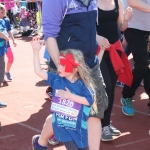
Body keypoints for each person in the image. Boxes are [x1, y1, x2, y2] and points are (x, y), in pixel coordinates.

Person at [32, 0, 109, 150]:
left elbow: (86, 27)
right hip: (66, 67)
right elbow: (50, 35)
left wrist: (96, 38)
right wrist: (61, 67)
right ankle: (41, 141)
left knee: (95, 111)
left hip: (90, 65)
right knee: (66, 115)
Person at [31, 36, 98, 150]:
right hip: (63, 126)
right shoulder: (56, 79)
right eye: (59, 63)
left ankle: (40, 142)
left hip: (79, 128)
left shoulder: (83, 84)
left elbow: (89, 100)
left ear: (75, 68)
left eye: (63, 64)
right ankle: (40, 143)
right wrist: (36, 51)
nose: (59, 67)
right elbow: (38, 71)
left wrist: (70, 96)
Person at [96, 0, 133, 141]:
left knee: (111, 90)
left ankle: (106, 124)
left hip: (114, 50)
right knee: (107, 86)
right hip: (97, 50)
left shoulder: (118, 2)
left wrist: (127, 20)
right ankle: (99, 124)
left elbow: (121, 27)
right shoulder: (92, 3)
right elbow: (87, 26)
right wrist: (96, 37)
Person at [121, 0, 150, 116]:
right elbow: (133, 2)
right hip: (134, 27)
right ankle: (127, 95)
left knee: (147, 67)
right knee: (143, 64)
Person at [0, 4, 17, 81]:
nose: (2, 14)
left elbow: (9, 31)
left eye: (3, 12)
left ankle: (6, 71)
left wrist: (13, 40)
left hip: (6, 43)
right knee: (2, 60)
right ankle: (2, 75)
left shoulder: (5, 20)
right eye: (1, 12)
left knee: (11, 58)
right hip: (1, 44)